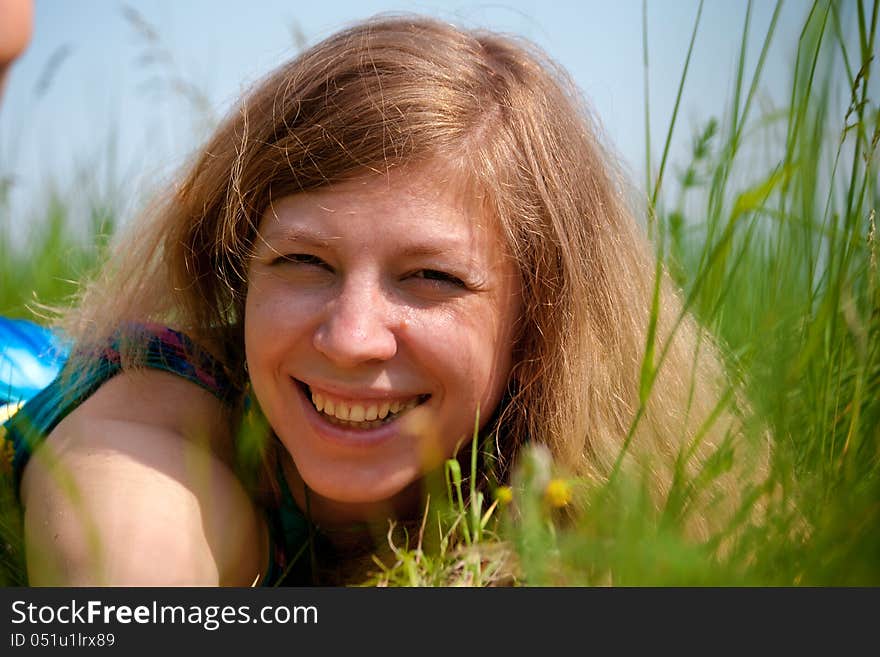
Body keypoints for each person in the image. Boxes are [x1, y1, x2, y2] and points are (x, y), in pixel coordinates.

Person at [2, 9, 766, 586]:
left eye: (432, 277)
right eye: (303, 261)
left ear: (541, 318)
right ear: (238, 272)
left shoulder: (573, 476)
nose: (351, 337)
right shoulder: (155, 421)